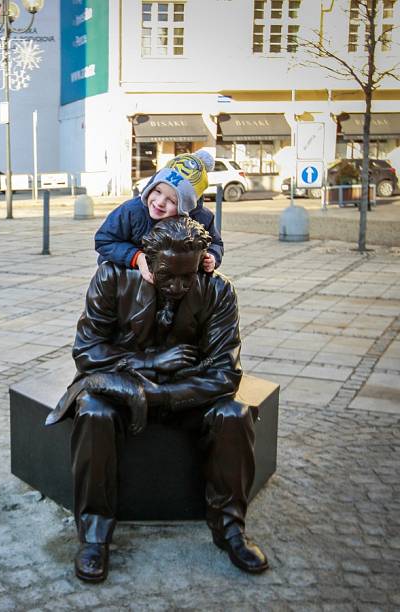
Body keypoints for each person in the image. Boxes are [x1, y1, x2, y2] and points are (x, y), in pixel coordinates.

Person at [47, 217, 268, 583]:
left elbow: (225, 374)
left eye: (189, 276)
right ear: (149, 262)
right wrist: (149, 363)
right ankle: (94, 535)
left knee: (234, 413)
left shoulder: (218, 291)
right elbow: (88, 352)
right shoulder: (112, 279)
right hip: (124, 389)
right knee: (94, 412)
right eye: (168, 275)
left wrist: (160, 394)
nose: (179, 286)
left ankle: (231, 530)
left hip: (185, 395)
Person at [95, 151, 224, 283]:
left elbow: (215, 243)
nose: (160, 202)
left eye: (172, 201)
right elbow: (104, 240)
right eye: (157, 191)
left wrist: (212, 256)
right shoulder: (131, 211)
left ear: (186, 207)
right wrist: (137, 257)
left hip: (173, 282)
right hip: (127, 278)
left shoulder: (201, 219)